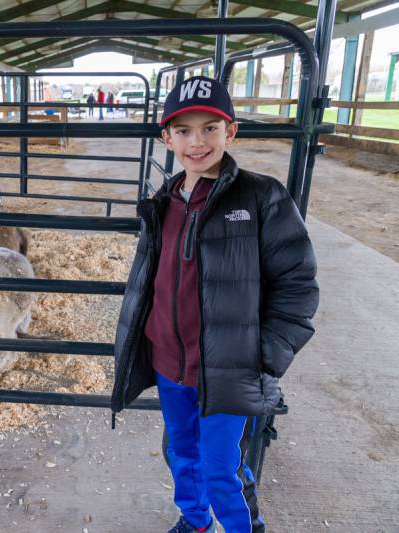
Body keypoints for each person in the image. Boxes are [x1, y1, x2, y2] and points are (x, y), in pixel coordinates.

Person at [110, 76, 319, 533]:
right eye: (183, 130)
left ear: (231, 132)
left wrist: (265, 355)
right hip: (170, 363)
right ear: (166, 138)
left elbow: (298, 283)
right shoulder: (161, 204)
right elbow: (150, 283)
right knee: (180, 452)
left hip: (230, 367)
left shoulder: (262, 197)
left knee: (221, 467)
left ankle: (244, 528)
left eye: (209, 128)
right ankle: (194, 520)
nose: (197, 141)